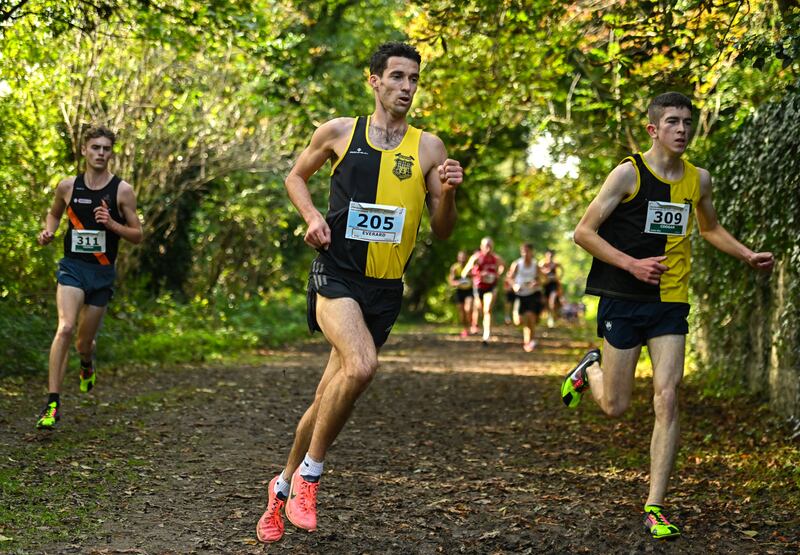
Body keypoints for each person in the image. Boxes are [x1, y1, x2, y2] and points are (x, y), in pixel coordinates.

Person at [256, 42, 463, 543]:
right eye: (397, 77)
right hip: (337, 274)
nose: (407, 88)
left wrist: (450, 192)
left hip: (385, 289)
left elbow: (442, 230)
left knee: (329, 394)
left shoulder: (429, 148)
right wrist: (311, 219)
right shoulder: (339, 132)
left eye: (413, 79)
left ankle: (279, 489)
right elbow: (295, 177)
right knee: (363, 365)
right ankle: (310, 476)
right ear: (374, 81)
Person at [560, 92, 774, 540]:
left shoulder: (699, 179)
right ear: (653, 130)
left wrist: (746, 254)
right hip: (623, 296)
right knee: (616, 407)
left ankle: (655, 505)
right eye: (673, 122)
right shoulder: (628, 174)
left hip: (670, 300)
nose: (682, 129)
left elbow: (709, 228)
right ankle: (591, 368)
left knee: (668, 395)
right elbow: (583, 232)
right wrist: (631, 264)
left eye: (688, 122)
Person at [35, 125, 143, 429]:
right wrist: (49, 231)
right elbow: (54, 213)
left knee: (84, 342)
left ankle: (86, 362)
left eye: (106, 149)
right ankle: (52, 403)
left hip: (102, 273)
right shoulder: (68, 186)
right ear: (84, 150)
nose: (101, 153)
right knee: (65, 327)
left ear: (112, 153)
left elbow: (137, 235)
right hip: (72, 268)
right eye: (95, 147)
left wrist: (112, 224)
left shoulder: (122, 190)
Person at [461, 237, 505, 346]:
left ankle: (486, 335)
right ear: (481, 247)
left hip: (492, 286)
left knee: (487, 309)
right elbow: (464, 273)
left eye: (490, 246)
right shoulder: (476, 258)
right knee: (481, 310)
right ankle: (479, 326)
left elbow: (503, 266)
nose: (488, 248)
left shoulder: (496, 258)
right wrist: (479, 274)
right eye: (486, 246)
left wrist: (497, 274)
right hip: (479, 286)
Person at [507, 243, 543, 352]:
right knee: (519, 321)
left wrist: (536, 283)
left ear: (532, 252)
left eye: (527, 251)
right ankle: (527, 340)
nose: (525, 254)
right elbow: (509, 278)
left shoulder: (535, 265)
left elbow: (542, 279)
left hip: (531, 295)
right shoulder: (517, 264)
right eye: (523, 251)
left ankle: (529, 342)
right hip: (519, 295)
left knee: (531, 318)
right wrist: (514, 286)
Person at [448, 250, 474, 338]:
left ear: (467, 258)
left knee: (468, 308)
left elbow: (476, 277)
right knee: (462, 313)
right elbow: (451, 281)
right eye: (461, 257)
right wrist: (458, 283)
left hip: (469, 291)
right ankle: (465, 329)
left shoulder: (470, 267)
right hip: (459, 292)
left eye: (464, 257)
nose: (462, 259)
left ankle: (472, 324)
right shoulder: (455, 268)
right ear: (458, 258)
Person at [539, 249, 563, 328]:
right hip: (546, 285)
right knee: (545, 302)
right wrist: (545, 275)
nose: (550, 257)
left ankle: (552, 318)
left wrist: (558, 278)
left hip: (554, 285)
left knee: (552, 301)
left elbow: (562, 270)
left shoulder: (555, 264)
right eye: (549, 255)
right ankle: (549, 316)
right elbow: (538, 272)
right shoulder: (542, 263)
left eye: (551, 255)